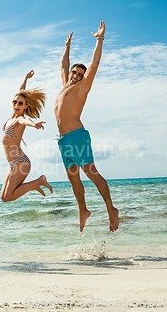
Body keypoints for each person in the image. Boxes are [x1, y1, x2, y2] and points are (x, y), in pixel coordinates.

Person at [55, 21, 119, 232]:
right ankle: (83, 210)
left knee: (91, 173)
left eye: (80, 75)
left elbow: (95, 63)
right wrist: (66, 47)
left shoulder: (82, 88)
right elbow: (63, 65)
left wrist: (99, 39)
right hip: (64, 141)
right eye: (75, 73)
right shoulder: (66, 84)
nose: (76, 76)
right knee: (74, 179)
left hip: (77, 137)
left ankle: (111, 209)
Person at [0, 70, 53, 202]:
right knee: (4, 197)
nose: (16, 105)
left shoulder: (20, 119)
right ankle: (35, 184)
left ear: (25, 106)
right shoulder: (12, 117)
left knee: (9, 196)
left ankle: (38, 181)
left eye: (20, 103)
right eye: (15, 102)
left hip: (21, 162)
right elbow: (20, 92)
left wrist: (34, 124)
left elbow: (25, 121)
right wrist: (25, 79)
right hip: (13, 164)